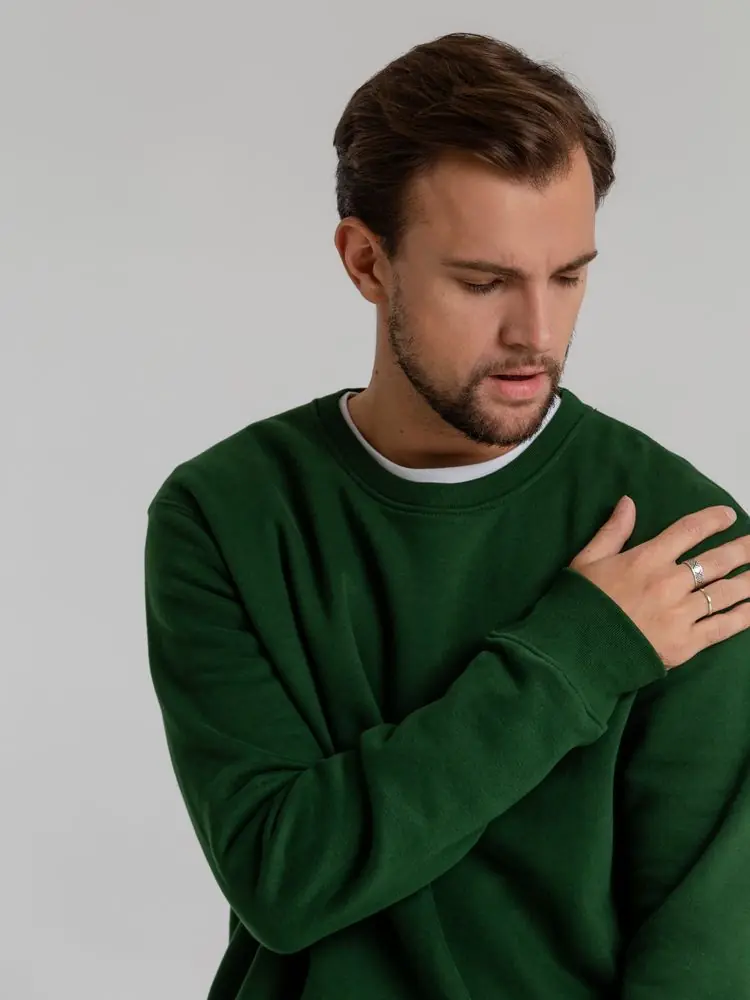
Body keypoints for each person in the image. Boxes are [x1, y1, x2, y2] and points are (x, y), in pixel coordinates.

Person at [143, 32, 750, 1000]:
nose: (537, 334)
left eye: (568, 275)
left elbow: (704, 959)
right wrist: (579, 656)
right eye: (483, 282)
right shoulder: (228, 512)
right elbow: (282, 881)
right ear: (366, 262)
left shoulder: (684, 543)